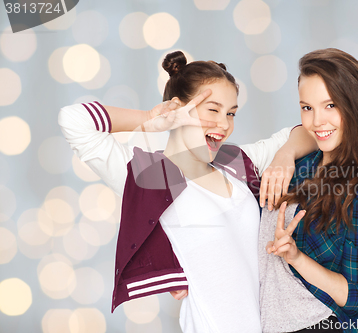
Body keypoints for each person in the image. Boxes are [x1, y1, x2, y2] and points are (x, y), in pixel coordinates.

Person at [59, 50, 315, 333]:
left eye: (230, 113)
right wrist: (150, 118)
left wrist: (285, 154)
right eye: (213, 110)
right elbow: (73, 119)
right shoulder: (150, 175)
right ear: (177, 109)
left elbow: (309, 131)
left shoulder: (235, 163)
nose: (224, 124)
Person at [259, 48, 358, 333]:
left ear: (354, 105)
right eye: (307, 107)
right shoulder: (299, 164)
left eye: (330, 105)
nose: (317, 121)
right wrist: (286, 152)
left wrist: (296, 257)